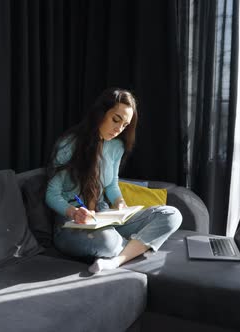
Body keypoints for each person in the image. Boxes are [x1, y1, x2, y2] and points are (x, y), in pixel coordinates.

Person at [45, 87, 182, 274]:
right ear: (100, 113)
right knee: (107, 242)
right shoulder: (69, 145)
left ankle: (116, 261)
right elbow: (52, 194)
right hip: (72, 225)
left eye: (125, 125)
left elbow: (111, 184)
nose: (118, 129)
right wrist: (73, 212)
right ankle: (134, 247)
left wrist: (120, 203)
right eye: (116, 120)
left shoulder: (116, 147)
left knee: (171, 214)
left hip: (103, 217)